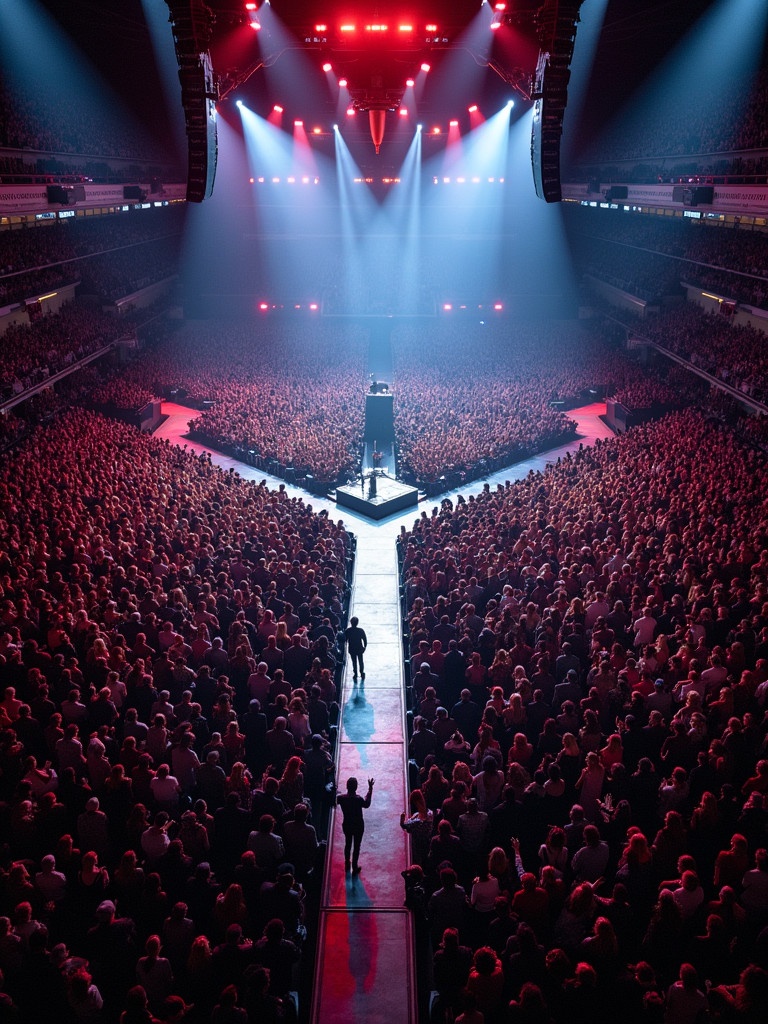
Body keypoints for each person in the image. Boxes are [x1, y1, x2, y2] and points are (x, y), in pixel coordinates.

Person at [337, 776, 374, 873]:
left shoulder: (341, 798)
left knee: (347, 844)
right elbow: (367, 804)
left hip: (347, 824)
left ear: (347, 786)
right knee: (357, 846)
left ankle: (347, 864)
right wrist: (370, 789)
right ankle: (355, 865)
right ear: (356, 787)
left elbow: (334, 799)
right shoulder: (358, 799)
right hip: (358, 825)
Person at [344, 617, 367, 681]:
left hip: (352, 648)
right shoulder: (360, 630)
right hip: (359, 648)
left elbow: (345, 640)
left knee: (354, 661)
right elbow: (365, 639)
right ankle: (362, 673)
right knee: (360, 661)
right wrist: (364, 647)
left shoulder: (348, 631)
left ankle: (355, 673)